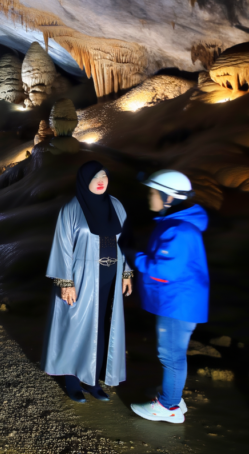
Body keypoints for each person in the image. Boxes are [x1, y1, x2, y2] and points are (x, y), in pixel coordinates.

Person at [42, 161, 133, 403]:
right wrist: (66, 282)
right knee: (75, 326)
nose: (100, 181)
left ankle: (92, 381)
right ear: (84, 180)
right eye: (95, 177)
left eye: (104, 176)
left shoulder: (116, 206)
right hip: (81, 278)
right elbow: (62, 246)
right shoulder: (72, 209)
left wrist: (126, 272)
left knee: (102, 327)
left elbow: (126, 241)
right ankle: (72, 381)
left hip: (110, 278)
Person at [130, 170, 208, 424]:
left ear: (169, 197)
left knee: (171, 356)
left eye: (153, 192)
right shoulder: (175, 224)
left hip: (177, 304)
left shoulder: (179, 229)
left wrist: (134, 256)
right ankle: (172, 395)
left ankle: (169, 406)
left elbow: (165, 271)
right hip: (177, 301)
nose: (149, 196)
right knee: (172, 354)